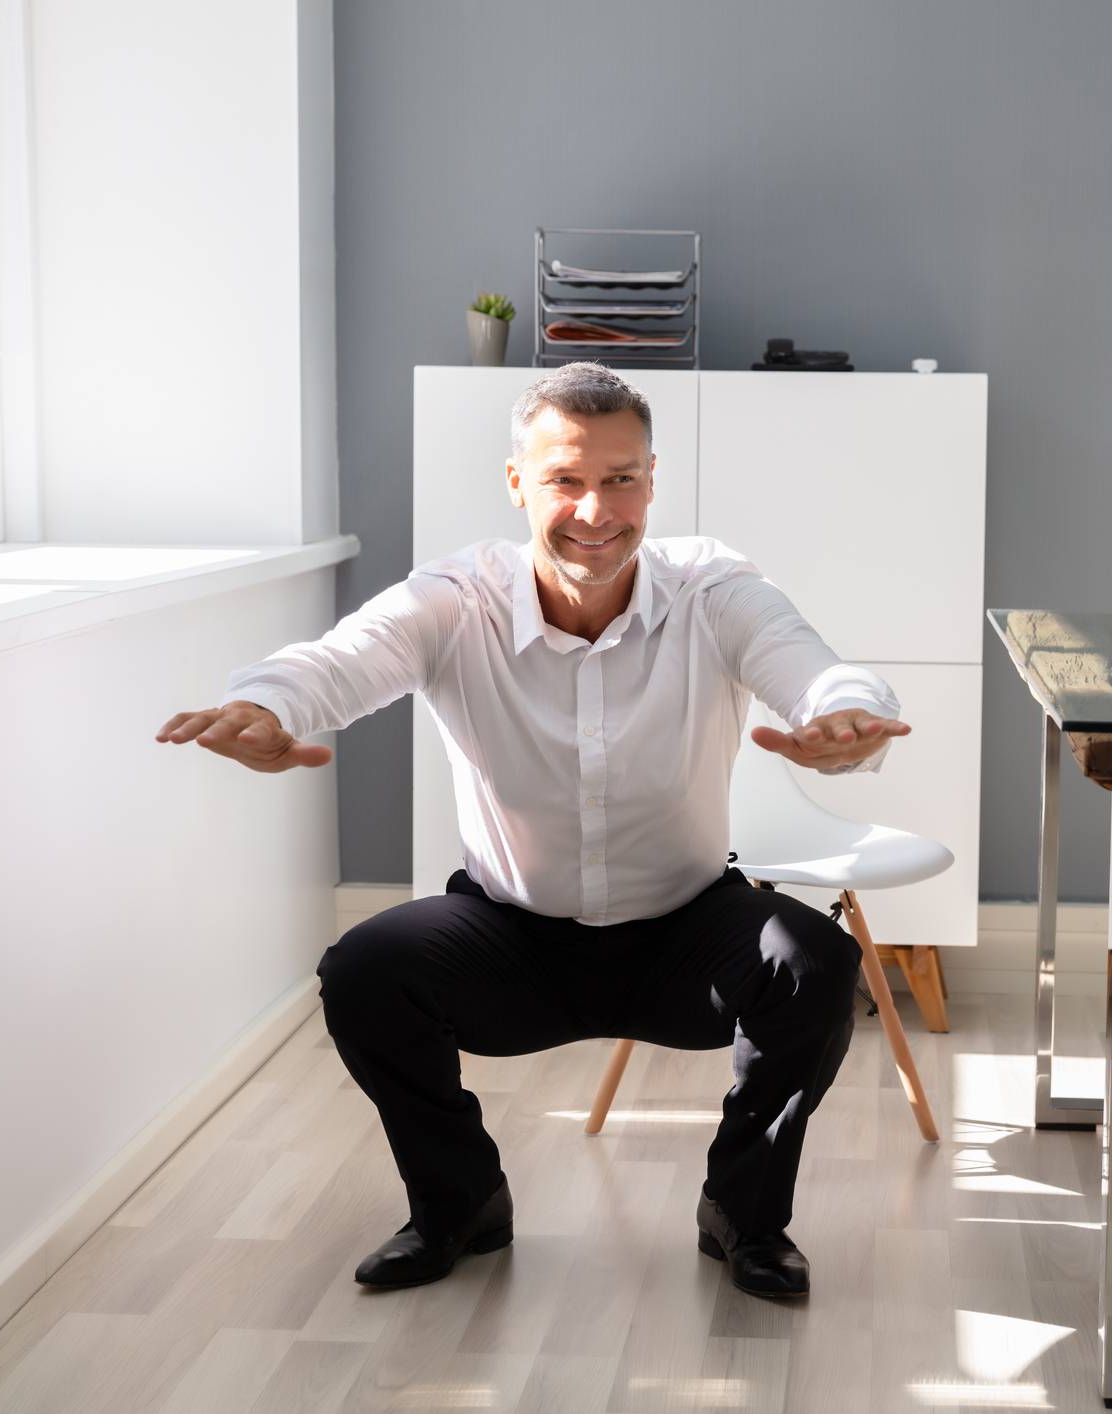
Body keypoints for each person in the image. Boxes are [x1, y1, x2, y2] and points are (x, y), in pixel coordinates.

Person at [154, 362, 908, 1299]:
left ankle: (744, 1217)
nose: (595, 509)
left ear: (652, 478)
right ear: (517, 483)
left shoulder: (711, 589)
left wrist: (843, 720)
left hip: (683, 931)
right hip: (510, 939)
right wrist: (264, 704)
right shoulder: (455, 597)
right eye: (564, 479)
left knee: (813, 963)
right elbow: (339, 659)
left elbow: (807, 661)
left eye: (621, 478)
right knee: (365, 970)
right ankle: (458, 1204)